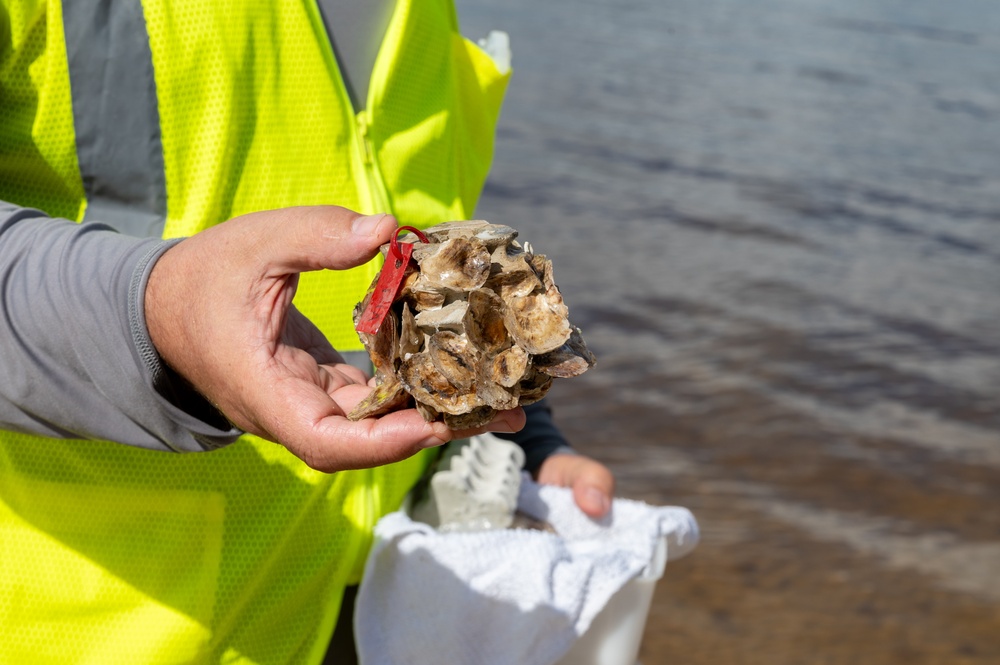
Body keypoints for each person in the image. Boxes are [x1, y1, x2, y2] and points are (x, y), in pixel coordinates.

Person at [0, 1, 614, 663]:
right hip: (106, 630)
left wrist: (522, 434)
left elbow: (443, 269)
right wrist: (156, 312)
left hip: (380, 610)